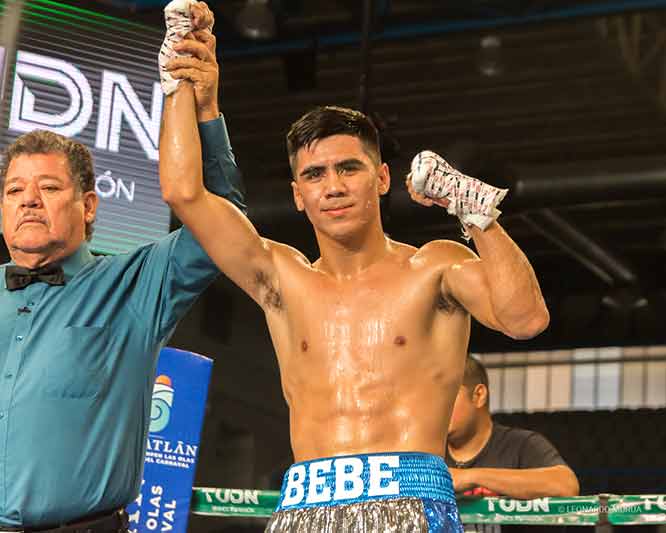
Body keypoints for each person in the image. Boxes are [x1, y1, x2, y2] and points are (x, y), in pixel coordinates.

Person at [161, 26, 550, 529]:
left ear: (382, 178)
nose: (334, 187)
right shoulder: (281, 277)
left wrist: (478, 215)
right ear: (297, 194)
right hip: (306, 503)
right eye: (315, 175)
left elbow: (525, 319)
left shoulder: (434, 267)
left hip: (413, 497)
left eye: (349, 168)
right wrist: (179, 84)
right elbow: (183, 193)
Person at [0, 4, 244, 528]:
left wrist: (204, 110)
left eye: (48, 188)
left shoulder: (133, 284)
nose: (28, 201)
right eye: (15, 190)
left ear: (89, 206)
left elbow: (224, 228)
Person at [446, 355, 580, 499]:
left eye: (446, 395)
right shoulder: (427, 449)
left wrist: (470, 477)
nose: (434, 408)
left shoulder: (522, 444)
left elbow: (566, 486)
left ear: (479, 396)